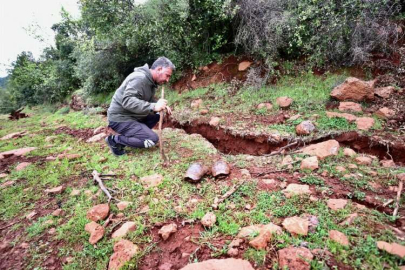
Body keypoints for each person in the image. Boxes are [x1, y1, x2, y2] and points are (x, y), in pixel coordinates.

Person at [105, 57, 175, 156]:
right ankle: (115, 140)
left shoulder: (150, 81)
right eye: (167, 75)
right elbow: (127, 101)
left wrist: (159, 105)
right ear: (159, 69)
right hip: (120, 118)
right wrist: (154, 106)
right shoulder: (140, 78)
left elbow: (144, 100)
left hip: (131, 115)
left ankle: (136, 135)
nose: (167, 80)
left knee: (158, 114)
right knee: (152, 139)